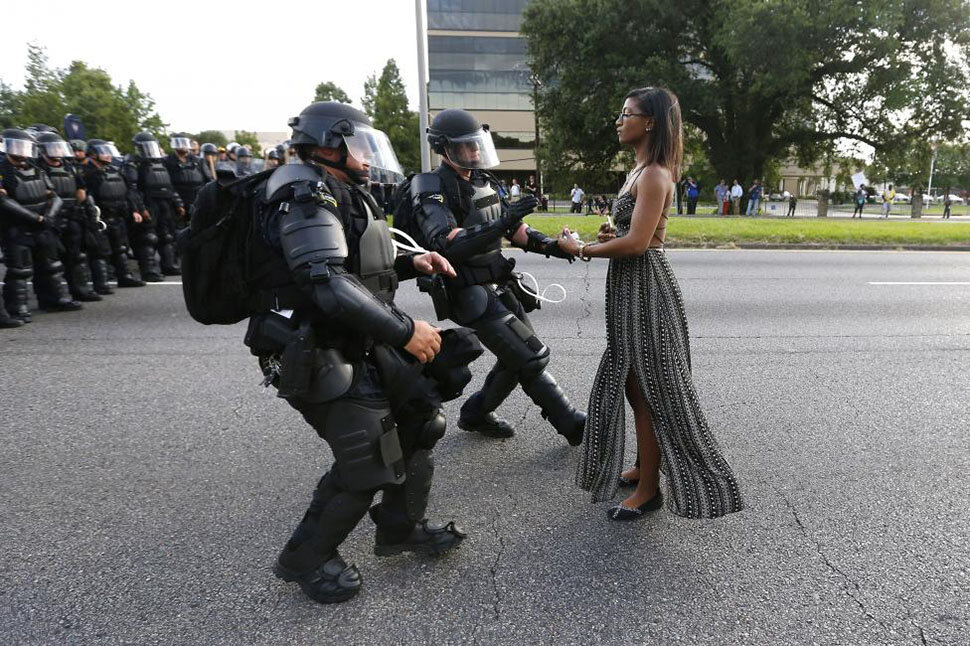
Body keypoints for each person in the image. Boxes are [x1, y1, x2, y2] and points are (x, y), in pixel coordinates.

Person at [238, 101, 475, 604]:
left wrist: (415, 263)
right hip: (315, 347)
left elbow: (358, 264)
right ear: (328, 144)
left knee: (420, 421)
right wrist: (406, 330)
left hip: (355, 338)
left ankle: (399, 527)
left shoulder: (336, 189)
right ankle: (306, 558)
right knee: (367, 460)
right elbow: (327, 283)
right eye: (359, 145)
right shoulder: (303, 194)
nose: (368, 157)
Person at [558, 87, 744, 521]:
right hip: (630, 287)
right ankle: (645, 466)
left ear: (651, 122)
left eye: (628, 114)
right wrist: (610, 235)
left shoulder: (656, 173)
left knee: (650, 391)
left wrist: (581, 248)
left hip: (646, 289)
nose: (620, 121)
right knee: (632, 382)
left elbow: (640, 244)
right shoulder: (638, 171)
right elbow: (629, 234)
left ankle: (649, 490)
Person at [409, 108, 586, 444]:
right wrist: (503, 222)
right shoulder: (430, 185)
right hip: (467, 290)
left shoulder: (485, 182)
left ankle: (476, 413)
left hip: (499, 283)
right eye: (467, 146)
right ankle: (572, 424)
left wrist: (555, 247)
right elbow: (446, 243)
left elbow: (517, 230)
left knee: (517, 357)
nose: (475, 152)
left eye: (478, 144)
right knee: (531, 356)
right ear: (444, 148)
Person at [1, 128, 83, 321]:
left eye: (25, 147)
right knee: (19, 270)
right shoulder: (3, 170)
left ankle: (55, 300)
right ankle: (17, 308)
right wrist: (35, 218)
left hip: (43, 225)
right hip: (17, 227)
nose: (21, 151)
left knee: (51, 264)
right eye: (17, 146)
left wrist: (49, 217)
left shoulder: (37, 169)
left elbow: (54, 196)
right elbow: (4, 201)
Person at [36, 131, 102, 302]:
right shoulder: (38, 168)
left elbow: (81, 190)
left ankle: (80, 290)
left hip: (71, 216)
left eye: (59, 147)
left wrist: (82, 208)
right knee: (50, 261)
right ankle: (51, 298)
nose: (57, 151)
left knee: (76, 256)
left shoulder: (69, 166)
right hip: (50, 219)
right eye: (53, 147)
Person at [83, 139, 147, 288]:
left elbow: (128, 193)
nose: (108, 155)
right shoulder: (88, 174)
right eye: (103, 152)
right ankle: (101, 283)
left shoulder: (115, 171)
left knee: (121, 249)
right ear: (93, 154)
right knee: (100, 252)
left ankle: (125, 277)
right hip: (101, 218)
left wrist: (134, 210)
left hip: (118, 216)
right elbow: (86, 198)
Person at [123, 132, 183, 277]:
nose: (150, 149)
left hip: (165, 202)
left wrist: (178, 203)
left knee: (167, 236)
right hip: (148, 202)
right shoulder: (133, 163)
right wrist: (140, 208)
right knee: (148, 237)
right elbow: (132, 189)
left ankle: (169, 265)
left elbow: (169, 185)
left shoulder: (161, 162)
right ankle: (149, 270)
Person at [163, 134, 207, 218]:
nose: (183, 145)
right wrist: (178, 203)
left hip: (198, 199)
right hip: (178, 200)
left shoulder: (198, 160)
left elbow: (208, 180)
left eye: (184, 142)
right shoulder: (167, 161)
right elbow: (167, 184)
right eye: (179, 143)